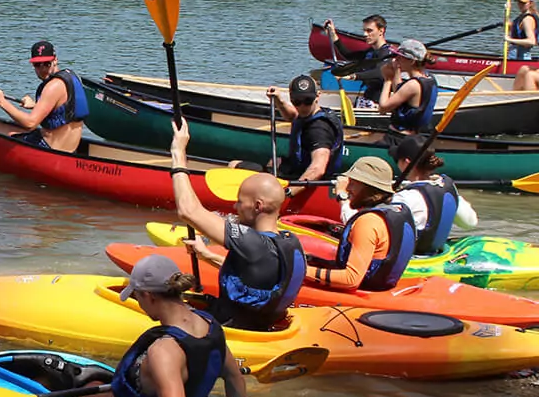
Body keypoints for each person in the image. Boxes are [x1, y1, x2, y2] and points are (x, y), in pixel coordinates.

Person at [89, 255, 247, 397]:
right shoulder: (210, 324)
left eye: (136, 296)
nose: (138, 304)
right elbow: (234, 378)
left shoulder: (164, 351)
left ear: (149, 296)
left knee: (79, 389)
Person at [170, 118, 306, 330]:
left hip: (233, 329)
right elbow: (257, 274)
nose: (235, 207)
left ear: (258, 206)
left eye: (240, 202)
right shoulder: (289, 242)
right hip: (260, 324)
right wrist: (206, 255)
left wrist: (178, 154)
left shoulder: (253, 243)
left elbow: (188, 211)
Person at [306, 156, 416, 291]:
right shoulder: (395, 210)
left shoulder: (368, 222)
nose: (347, 189)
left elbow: (351, 279)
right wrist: (312, 260)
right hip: (381, 287)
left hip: (363, 294)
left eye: (353, 183)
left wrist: (301, 271)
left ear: (368, 188)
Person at [0, 40, 88, 152]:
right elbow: (64, 108)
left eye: (46, 63)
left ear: (55, 60)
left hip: (50, 149)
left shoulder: (53, 86)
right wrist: (35, 105)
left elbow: (30, 123)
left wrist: (2, 102)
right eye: (37, 65)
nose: (42, 69)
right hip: (69, 149)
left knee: (0, 139)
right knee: (12, 133)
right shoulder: (69, 77)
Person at [387, 134, 478, 255]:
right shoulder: (449, 187)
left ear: (406, 162)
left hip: (414, 258)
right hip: (436, 253)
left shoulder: (405, 198)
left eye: (397, 160)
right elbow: (470, 223)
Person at [266, 74, 344, 192]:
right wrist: (279, 101)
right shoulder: (311, 113)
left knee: (235, 166)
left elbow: (317, 169)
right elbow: (293, 116)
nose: (302, 106)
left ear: (317, 96)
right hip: (298, 170)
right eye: (297, 102)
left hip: (312, 183)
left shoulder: (319, 130)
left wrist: (289, 192)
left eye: (307, 101)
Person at [324, 15, 392, 107]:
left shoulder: (387, 53)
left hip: (378, 102)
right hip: (367, 97)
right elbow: (348, 55)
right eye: (364, 30)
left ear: (381, 31)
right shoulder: (370, 52)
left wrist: (353, 76)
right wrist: (333, 34)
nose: (365, 34)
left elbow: (379, 73)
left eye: (369, 31)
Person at [377, 38, 437, 140]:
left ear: (412, 61)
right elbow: (399, 93)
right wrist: (396, 72)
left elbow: (382, 108)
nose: (396, 59)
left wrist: (387, 80)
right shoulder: (429, 78)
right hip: (412, 137)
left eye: (400, 57)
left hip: (399, 138)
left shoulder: (413, 85)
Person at [509, 0, 539, 91]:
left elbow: (531, 41)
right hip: (515, 52)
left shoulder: (528, 19)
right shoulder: (521, 17)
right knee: (523, 70)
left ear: (530, 3)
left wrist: (509, 39)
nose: (520, 5)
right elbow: (509, 27)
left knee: (527, 73)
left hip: (521, 54)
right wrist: (506, 12)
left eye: (523, 3)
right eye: (519, 2)